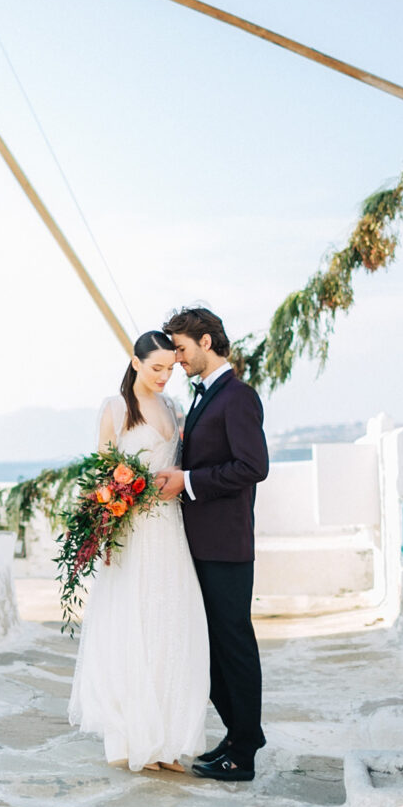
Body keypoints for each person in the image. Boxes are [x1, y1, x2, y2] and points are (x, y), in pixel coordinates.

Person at [68, 330, 210, 773]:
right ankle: (135, 739)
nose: (166, 376)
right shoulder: (114, 409)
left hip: (170, 533)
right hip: (132, 537)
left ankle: (166, 741)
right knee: (135, 629)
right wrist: (111, 500)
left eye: (171, 368)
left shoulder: (173, 407)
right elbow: (100, 475)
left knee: (173, 628)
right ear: (135, 363)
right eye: (157, 368)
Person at [154, 307, 269, 782]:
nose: (177, 359)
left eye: (180, 348)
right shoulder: (206, 396)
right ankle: (239, 733)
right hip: (202, 543)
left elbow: (253, 466)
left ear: (205, 341)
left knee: (234, 644)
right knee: (212, 646)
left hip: (226, 544)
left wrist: (189, 481)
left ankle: (244, 753)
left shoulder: (237, 396)